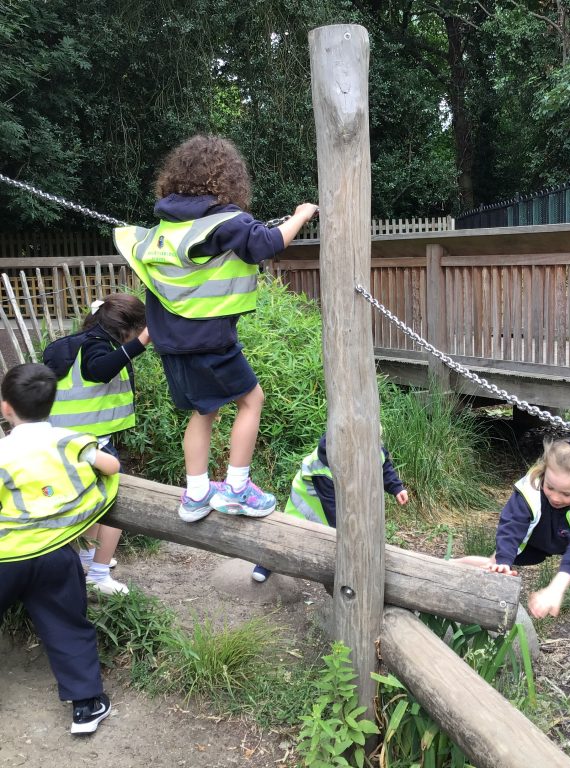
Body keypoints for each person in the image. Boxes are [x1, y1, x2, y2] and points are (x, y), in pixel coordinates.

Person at [113, 134, 318, 523]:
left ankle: (195, 496)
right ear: (228, 180)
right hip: (210, 342)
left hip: (170, 345)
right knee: (251, 400)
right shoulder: (226, 221)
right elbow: (268, 243)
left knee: (202, 412)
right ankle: (237, 488)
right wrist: (301, 215)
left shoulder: (162, 231)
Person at [0, 363, 119, 734]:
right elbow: (111, 465)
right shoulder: (70, 440)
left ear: (6, 408)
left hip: (7, 557)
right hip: (55, 553)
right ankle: (86, 706)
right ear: (52, 402)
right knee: (67, 624)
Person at [457, 437, 570, 650]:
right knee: (492, 564)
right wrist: (503, 560)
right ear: (544, 473)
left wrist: (556, 587)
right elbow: (511, 527)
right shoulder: (529, 491)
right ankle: (450, 566)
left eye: (566, 493)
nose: (556, 497)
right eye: (551, 487)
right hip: (534, 537)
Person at [43, 293, 150, 595]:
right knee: (115, 505)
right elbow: (100, 370)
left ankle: (89, 556)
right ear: (126, 327)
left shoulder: (66, 346)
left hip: (57, 442)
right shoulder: (96, 346)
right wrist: (141, 342)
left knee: (86, 505)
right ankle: (99, 575)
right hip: (93, 445)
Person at [251, 432, 409, 583]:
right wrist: (353, 536)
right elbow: (334, 511)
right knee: (286, 536)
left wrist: (396, 488)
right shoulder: (324, 468)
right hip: (305, 511)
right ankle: (265, 564)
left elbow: (382, 465)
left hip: (341, 506)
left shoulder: (369, 445)